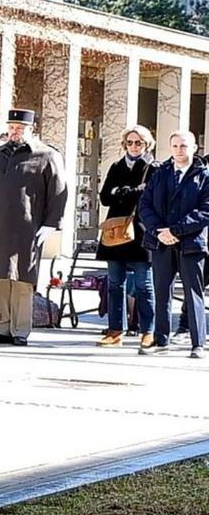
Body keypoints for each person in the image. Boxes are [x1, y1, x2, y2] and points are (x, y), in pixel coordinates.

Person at [0, 109, 67, 346]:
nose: (15, 132)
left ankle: (20, 330)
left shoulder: (46, 155)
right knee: (1, 277)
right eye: (12, 127)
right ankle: (1, 327)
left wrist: (51, 224)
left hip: (27, 225)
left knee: (22, 278)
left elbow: (58, 192)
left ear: (31, 128)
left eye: (20, 128)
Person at [139, 130, 209, 358]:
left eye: (184, 146)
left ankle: (198, 343)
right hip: (161, 242)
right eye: (176, 146)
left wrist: (176, 230)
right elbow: (145, 205)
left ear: (194, 148)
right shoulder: (160, 173)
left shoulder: (204, 175)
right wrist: (158, 231)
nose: (180, 150)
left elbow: (205, 210)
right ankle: (161, 340)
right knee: (161, 291)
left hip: (191, 243)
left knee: (193, 293)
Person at [96, 125, 157, 349]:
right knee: (114, 283)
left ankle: (147, 331)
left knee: (144, 285)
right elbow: (104, 197)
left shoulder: (153, 167)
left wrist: (123, 192)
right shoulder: (116, 166)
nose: (133, 147)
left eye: (138, 143)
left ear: (146, 145)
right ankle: (115, 330)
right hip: (115, 230)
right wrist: (129, 192)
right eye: (130, 142)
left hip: (141, 231)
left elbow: (148, 194)